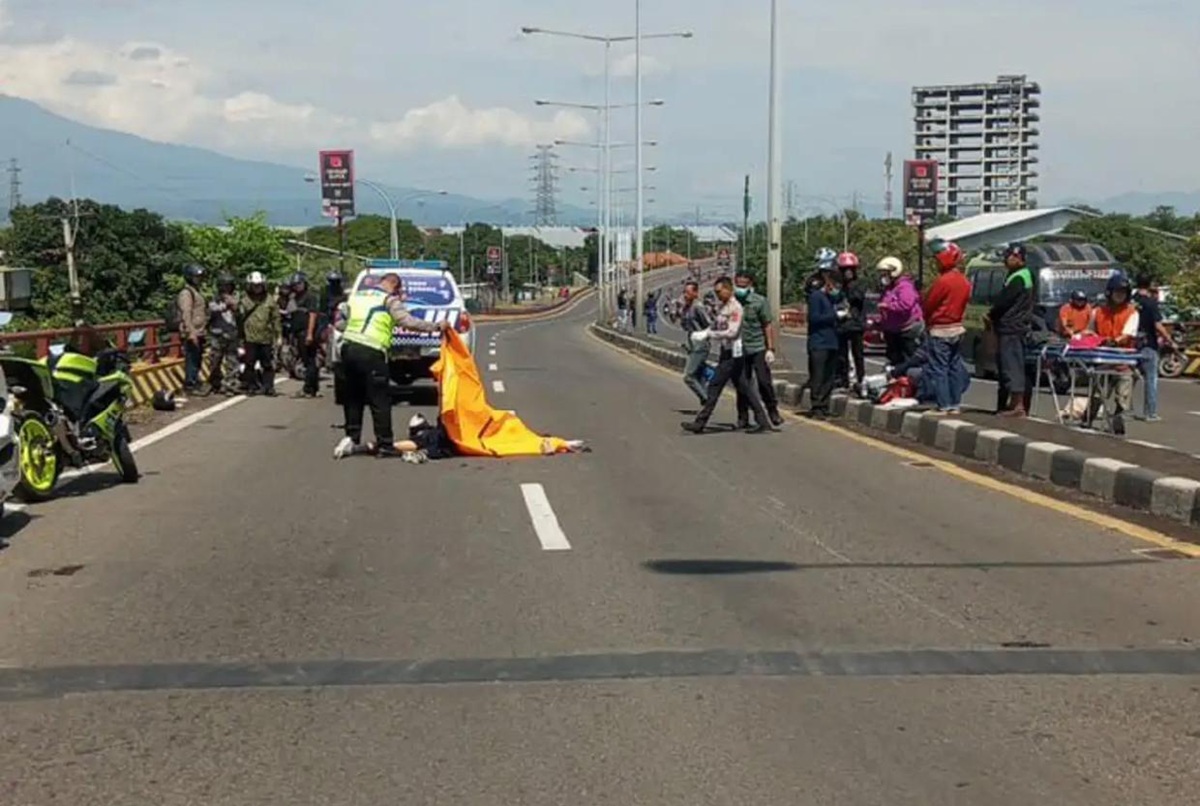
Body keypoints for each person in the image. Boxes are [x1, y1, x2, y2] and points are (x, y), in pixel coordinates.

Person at [334, 272, 451, 459]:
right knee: (379, 399)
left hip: (348, 349)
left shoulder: (356, 297)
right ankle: (385, 444)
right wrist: (436, 327)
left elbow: (340, 323)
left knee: (354, 397)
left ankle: (351, 437)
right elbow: (407, 322)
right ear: (395, 287)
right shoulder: (388, 300)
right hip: (371, 351)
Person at [681, 276, 774, 434]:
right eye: (716, 293)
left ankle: (700, 423)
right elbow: (715, 325)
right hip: (727, 352)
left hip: (734, 353)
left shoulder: (736, 308)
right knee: (744, 387)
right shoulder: (723, 307)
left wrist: (709, 335)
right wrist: (708, 331)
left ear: (728, 289)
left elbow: (732, 332)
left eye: (719, 292)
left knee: (715, 386)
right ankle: (762, 420)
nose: (718, 295)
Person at [1084, 272, 1139, 435]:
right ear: (1110, 293)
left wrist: (1113, 341)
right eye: (1117, 292)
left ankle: (1118, 419)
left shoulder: (1132, 313)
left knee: (1123, 395)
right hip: (1103, 360)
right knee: (1097, 393)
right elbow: (1090, 331)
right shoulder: (1098, 312)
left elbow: (1127, 335)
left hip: (1123, 361)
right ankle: (1087, 419)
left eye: (1123, 293)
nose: (1120, 296)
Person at [923, 241, 973, 414]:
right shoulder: (964, 281)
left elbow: (928, 304)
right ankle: (954, 403)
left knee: (939, 368)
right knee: (954, 367)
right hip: (957, 328)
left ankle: (943, 404)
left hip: (940, 329)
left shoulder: (943, 282)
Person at [986, 243, 1034, 417]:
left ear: (1018, 258)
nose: (1006, 260)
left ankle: (1017, 405)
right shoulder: (1019, 275)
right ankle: (1013, 404)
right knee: (1008, 366)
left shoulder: (1019, 277)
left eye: (1008, 256)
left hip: (1012, 328)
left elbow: (1003, 302)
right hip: (1013, 327)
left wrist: (991, 314)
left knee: (1012, 366)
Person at [733, 270, 784, 428]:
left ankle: (773, 411)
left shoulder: (759, 301)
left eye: (744, 285)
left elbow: (767, 325)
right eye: (738, 284)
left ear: (750, 284)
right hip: (739, 348)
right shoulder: (732, 302)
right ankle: (743, 417)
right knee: (742, 384)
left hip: (758, 347)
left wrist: (771, 348)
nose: (740, 288)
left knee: (764, 381)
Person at [1134, 275, 1173, 422]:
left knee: (1126, 377)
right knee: (1151, 379)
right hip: (1148, 344)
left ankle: (1122, 408)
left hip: (1131, 343)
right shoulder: (1151, 303)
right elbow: (1157, 325)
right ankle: (1150, 412)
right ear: (1149, 285)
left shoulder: (1132, 301)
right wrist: (1169, 339)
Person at [806, 263, 842, 418]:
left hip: (832, 341)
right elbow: (814, 318)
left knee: (829, 376)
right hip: (819, 342)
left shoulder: (831, 299)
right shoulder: (816, 297)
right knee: (818, 376)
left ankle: (825, 405)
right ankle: (817, 406)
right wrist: (835, 316)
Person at [875, 256, 924, 365]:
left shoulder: (905, 286)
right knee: (894, 360)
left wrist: (887, 306)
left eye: (885, 273)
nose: (883, 277)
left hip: (907, 330)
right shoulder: (889, 289)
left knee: (909, 360)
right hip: (894, 331)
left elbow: (906, 304)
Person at [239, 271, 281, 396]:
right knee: (249, 363)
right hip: (250, 337)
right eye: (254, 286)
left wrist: (278, 336)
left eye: (259, 285)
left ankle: (268, 387)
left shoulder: (270, 300)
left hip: (266, 338)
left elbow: (276, 319)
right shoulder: (245, 300)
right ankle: (251, 386)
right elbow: (239, 316)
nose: (257, 288)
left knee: (267, 364)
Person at [676, 280, 712, 405]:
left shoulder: (698, 307)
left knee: (688, 376)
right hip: (692, 344)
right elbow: (683, 324)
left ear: (695, 293)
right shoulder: (686, 307)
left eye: (688, 292)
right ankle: (707, 397)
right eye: (684, 292)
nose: (685, 295)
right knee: (698, 374)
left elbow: (710, 325)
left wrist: (703, 336)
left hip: (700, 344)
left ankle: (706, 399)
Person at [286, 272, 321, 398]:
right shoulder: (295, 298)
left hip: (307, 332)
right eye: (295, 284)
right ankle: (313, 387)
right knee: (306, 360)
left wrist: (310, 334)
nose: (297, 286)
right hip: (298, 332)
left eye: (299, 284)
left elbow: (313, 315)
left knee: (309, 361)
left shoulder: (310, 297)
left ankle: (308, 389)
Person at [835, 251, 866, 392]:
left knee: (858, 354)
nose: (848, 273)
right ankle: (844, 380)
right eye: (845, 270)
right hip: (842, 325)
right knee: (841, 355)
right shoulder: (839, 287)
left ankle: (861, 379)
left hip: (855, 325)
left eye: (850, 270)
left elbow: (858, 298)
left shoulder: (858, 285)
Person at [205, 273, 240, 396]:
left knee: (232, 360)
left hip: (232, 333)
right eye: (224, 286)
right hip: (217, 333)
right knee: (215, 360)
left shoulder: (236, 298)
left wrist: (234, 305)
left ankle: (231, 384)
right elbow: (211, 311)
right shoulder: (214, 299)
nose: (226, 289)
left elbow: (241, 312)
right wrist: (225, 305)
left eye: (229, 286)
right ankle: (215, 383)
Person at [177, 264, 208, 395]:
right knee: (192, 359)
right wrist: (191, 332)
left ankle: (195, 381)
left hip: (200, 331)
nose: (199, 279)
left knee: (197, 358)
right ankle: (190, 384)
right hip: (192, 332)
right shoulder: (187, 293)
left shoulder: (196, 291)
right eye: (196, 277)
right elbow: (186, 313)